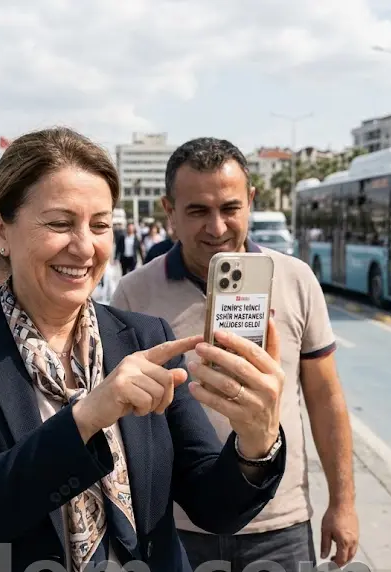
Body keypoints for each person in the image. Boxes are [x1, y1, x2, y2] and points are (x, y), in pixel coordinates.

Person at [0, 127, 287, 572]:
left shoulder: (146, 338)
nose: (85, 246)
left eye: (101, 224)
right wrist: (89, 416)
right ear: (1, 232)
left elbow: (214, 507)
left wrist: (256, 441)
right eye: (59, 223)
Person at [112, 137, 359, 570]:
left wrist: (343, 502)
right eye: (197, 211)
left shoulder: (295, 279)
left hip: (279, 527)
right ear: (169, 211)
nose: (217, 227)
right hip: (181, 528)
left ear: (250, 201)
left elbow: (325, 397)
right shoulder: (135, 293)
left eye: (229, 208)